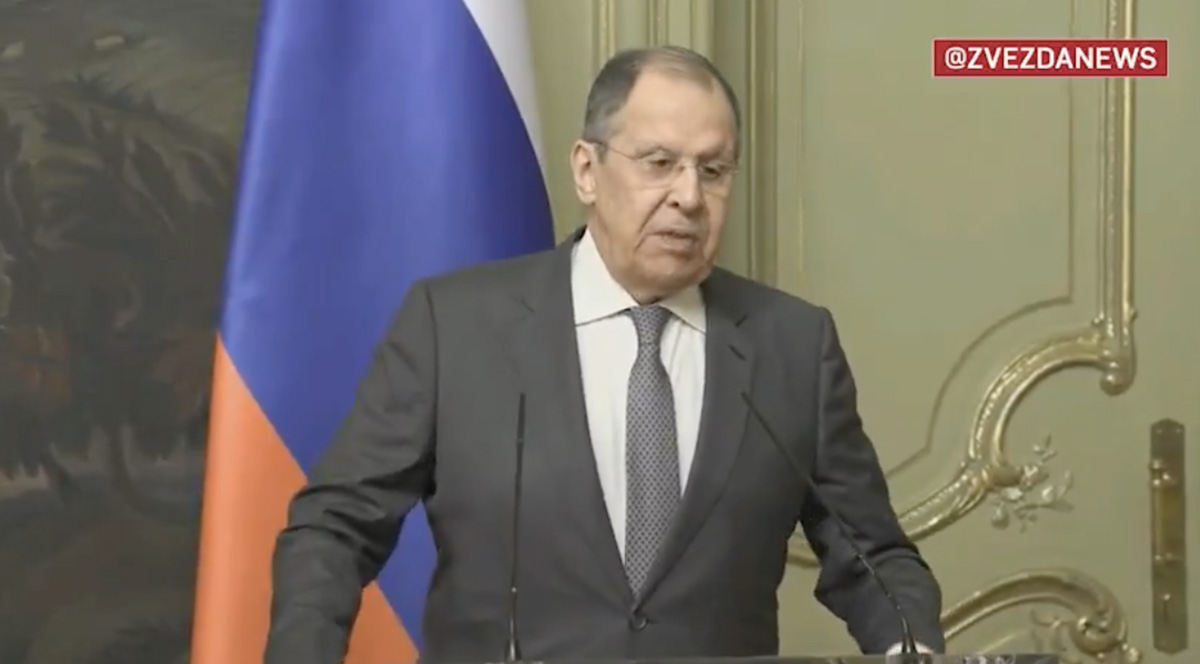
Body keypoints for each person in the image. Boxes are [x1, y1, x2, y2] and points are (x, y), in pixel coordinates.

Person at [265, 45, 944, 663]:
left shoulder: (792, 343)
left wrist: (908, 646)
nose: (689, 196)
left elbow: (873, 558)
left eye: (713, 170)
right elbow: (334, 528)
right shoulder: (455, 326)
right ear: (587, 170)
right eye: (659, 163)